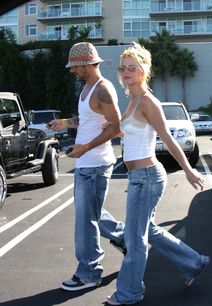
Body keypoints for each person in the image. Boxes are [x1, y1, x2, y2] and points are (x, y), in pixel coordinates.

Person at [106, 42, 211, 305]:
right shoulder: (132, 100)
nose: (127, 72)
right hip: (139, 177)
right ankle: (194, 262)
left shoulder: (148, 101)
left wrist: (188, 169)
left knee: (135, 238)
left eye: (133, 68)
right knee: (147, 231)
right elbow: (127, 133)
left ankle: (129, 293)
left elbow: (167, 138)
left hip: (148, 177)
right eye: (124, 68)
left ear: (143, 72)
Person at [49, 42, 125, 291]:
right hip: (86, 164)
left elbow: (115, 127)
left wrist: (85, 148)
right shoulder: (87, 89)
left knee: (86, 221)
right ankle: (127, 239)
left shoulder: (103, 88)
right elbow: (87, 120)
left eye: (75, 66)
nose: (72, 71)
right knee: (92, 214)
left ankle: (90, 273)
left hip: (95, 164)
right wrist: (65, 123)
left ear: (88, 63)